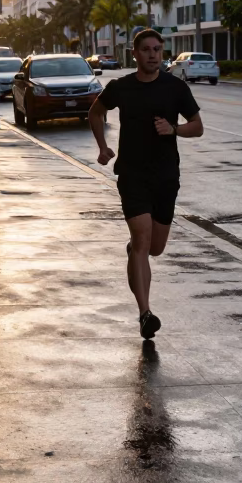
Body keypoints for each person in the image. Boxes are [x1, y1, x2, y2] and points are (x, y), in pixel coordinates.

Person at [88, 28, 203, 339]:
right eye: (147, 49)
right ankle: (145, 314)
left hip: (166, 177)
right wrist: (102, 147)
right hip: (132, 175)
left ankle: (135, 253)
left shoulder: (175, 88)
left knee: (155, 247)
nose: (153, 54)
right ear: (135, 54)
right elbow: (95, 112)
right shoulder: (121, 87)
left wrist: (174, 129)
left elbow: (198, 127)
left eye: (157, 49)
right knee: (141, 242)